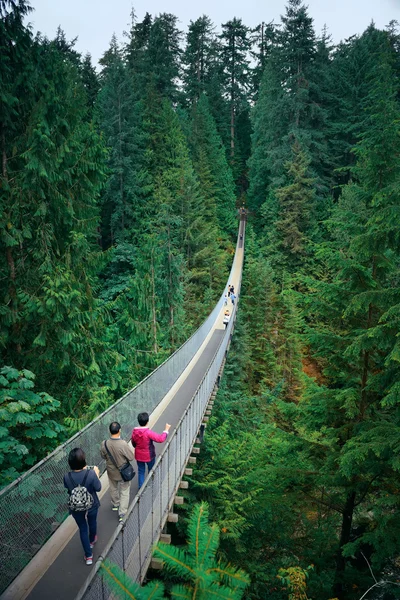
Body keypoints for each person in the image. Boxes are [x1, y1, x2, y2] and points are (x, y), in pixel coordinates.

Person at [64, 448, 101, 565]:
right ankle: (92, 540)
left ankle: (89, 556)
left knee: (83, 528)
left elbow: (68, 489)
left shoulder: (67, 476)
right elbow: (98, 488)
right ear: (84, 461)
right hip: (91, 504)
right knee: (92, 522)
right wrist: (96, 474)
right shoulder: (91, 474)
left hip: (76, 507)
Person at [100, 422, 135, 522]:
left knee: (113, 487)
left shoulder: (104, 443)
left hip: (111, 471)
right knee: (124, 490)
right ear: (120, 430)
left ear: (109, 431)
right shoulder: (123, 444)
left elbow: (103, 456)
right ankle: (122, 512)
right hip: (123, 472)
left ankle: (115, 504)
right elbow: (131, 457)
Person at [131, 413, 171, 488]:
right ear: (147, 422)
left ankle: (141, 489)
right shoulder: (148, 433)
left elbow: (133, 443)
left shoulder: (134, 432)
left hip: (139, 455)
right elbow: (160, 439)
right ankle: (151, 485)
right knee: (151, 470)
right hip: (149, 455)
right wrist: (166, 430)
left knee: (141, 471)